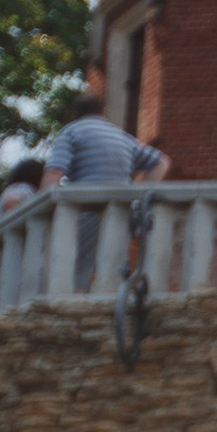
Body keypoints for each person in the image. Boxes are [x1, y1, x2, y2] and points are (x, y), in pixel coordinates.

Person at [42, 106, 171, 292]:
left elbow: (54, 173)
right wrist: (138, 195)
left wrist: (43, 211)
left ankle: (75, 301)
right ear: (101, 114)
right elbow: (161, 162)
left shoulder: (72, 131)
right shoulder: (123, 137)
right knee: (114, 270)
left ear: (75, 116)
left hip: (86, 210)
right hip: (120, 213)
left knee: (75, 271)